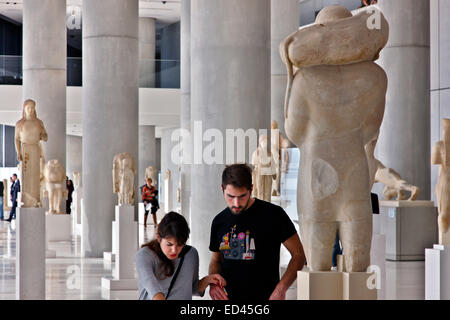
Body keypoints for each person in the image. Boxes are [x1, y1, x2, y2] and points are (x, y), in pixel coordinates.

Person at [208, 163, 306, 300]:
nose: (236, 203)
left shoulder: (274, 215)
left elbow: (299, 255)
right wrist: (213, 284)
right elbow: (215, 261)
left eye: (242, 196)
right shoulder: (219, 221)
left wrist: (281, 289)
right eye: (230, 196)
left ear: (251, 189)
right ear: (222, 189)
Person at [135, 211, 226, 300]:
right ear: (159, 237)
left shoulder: (191, 254)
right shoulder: (144, 256)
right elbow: (154, 291)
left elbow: (193, 289)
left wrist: (208, 279)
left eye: (179, 244)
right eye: (169, 244)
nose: (174, 250)